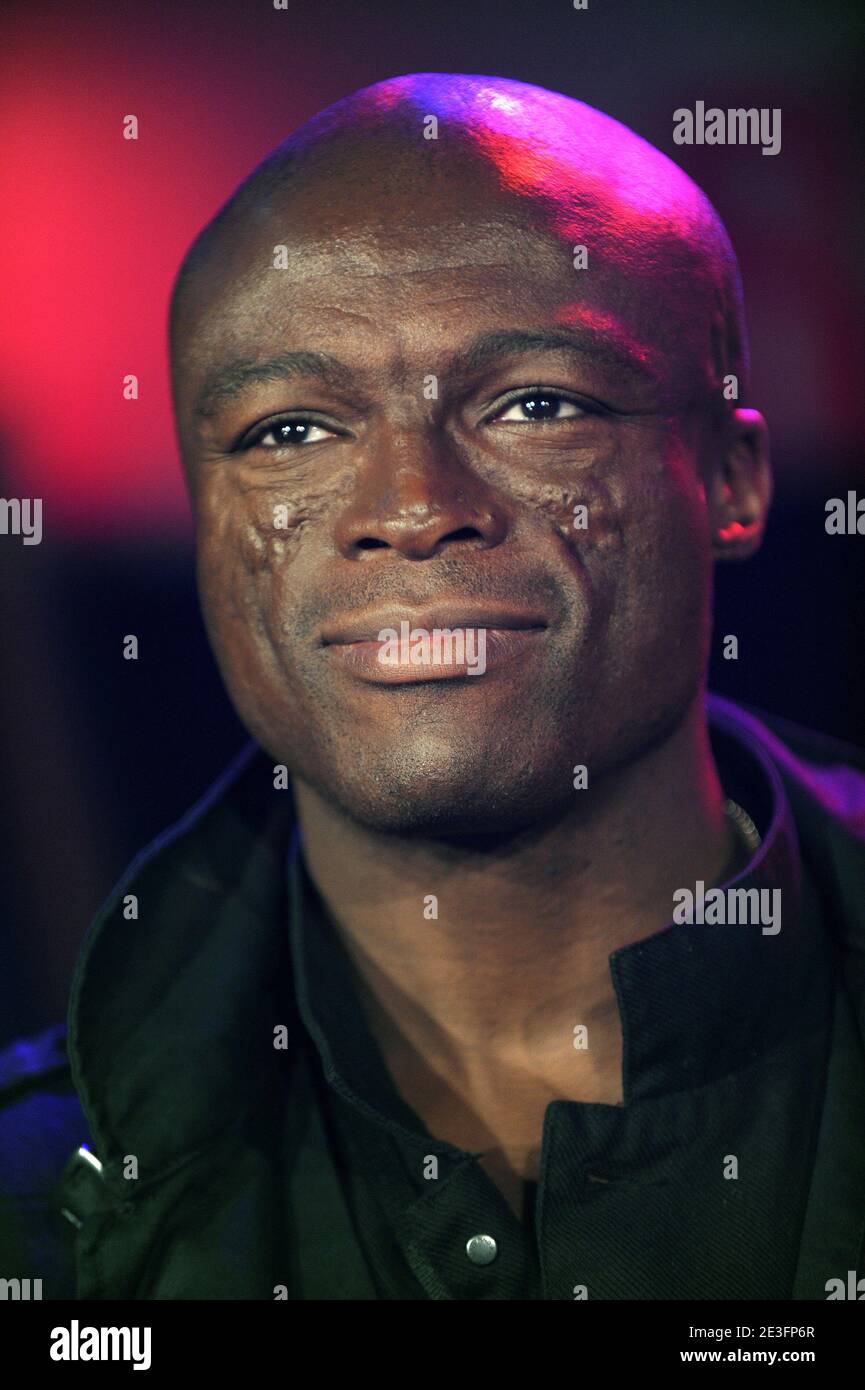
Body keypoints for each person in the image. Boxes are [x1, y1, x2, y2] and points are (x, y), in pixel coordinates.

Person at [2, 73, 864, 1301]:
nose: (409, 508)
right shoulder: (33, 1197)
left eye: (534, 404)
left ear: (728, 479)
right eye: (287, 431)